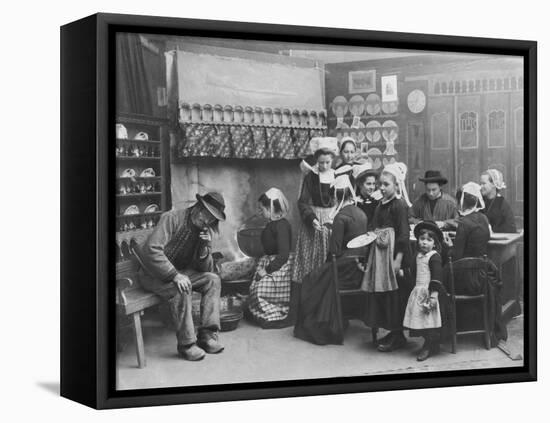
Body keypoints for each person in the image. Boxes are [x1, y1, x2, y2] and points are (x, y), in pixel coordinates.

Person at [134, 192, 225, 361]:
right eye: (206, 214)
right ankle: (187, 345)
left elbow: (204, 268)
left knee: (213, 280)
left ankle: (207, 336)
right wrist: (175, 275)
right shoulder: (172, 218)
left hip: (179, 274)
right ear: (198, 207)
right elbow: (151, 250)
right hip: (152, 274)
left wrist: (205, 248)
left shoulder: (202, 231)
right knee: (182, 286)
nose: (207, 221)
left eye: (212, 219)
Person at [294, 174, 367, 345]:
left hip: (344, 271)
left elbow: (334, 251)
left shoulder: (340, 218)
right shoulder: (362, 213)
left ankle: (322, 324)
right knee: (319, 276)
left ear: (337, 196)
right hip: (359, 269)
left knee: (310, 279)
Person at [446, 182, 507, 346]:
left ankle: (445, 332)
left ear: (463, 202)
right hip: (483, 273)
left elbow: (457, 255)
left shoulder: (464, 223)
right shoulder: (484, 218)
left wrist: (448, 245)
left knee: (440, 277)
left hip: (469, 278)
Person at [362, 162, 413, 352]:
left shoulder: (399, 206)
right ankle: (392, 332)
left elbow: (403, 235)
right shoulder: (380, 206)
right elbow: (374, 229)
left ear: (397, 186)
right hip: (380, 257)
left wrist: (398, 260)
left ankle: (398, 335)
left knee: (395, 298)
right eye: (380, 184)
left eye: (386, 185)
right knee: (384, 297)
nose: (381, 188)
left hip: (393, 258)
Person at [291, 137, 338, 285]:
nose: (324, 166)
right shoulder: (311, 176)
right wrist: (312, 219)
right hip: (313, 219)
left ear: (332, 161)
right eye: (321, 162)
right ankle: (309, 287)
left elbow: (342, 200)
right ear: (316, 160)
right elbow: (303, 202)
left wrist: (333, 217)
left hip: (332, 217)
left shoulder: (337, 175)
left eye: (327, 162)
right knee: (310, 259)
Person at [247, 188, 294, 328]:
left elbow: (283, 255)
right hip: (270, 261)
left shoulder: (282, 226)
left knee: (260, 289)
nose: (261, 212)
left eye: (263, 209)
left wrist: (266, 270)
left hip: (280, 266)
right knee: (254, 287)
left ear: (271, 208)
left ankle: (276, 316)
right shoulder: (272, 224)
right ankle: (263, 314)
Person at [403, 221, 447, 361]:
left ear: (434, 243)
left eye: (429, 240)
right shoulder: (418, 255)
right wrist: (405, 273)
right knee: (420, 319)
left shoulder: (434, 257)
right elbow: (414, 272)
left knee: (430, 321)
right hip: (419, 291)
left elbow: (437, 276)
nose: (424, 243)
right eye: (422, 239)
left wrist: (433, 296)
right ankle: (429, 343)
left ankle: (429, 345)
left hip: (430, 292)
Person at [480, 169, 517, 233]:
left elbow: (512, 228)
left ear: (494, 184)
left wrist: (493, 230)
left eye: (484, 183)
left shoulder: (502, 203)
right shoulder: (479, 200)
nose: (481, 186)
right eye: (480, 183)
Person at [353, 161, 382, 229]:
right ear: (360, 184)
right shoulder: (355, 203)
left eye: (374, 184)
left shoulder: (378, 201)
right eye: (368, 184)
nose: (372, 187)